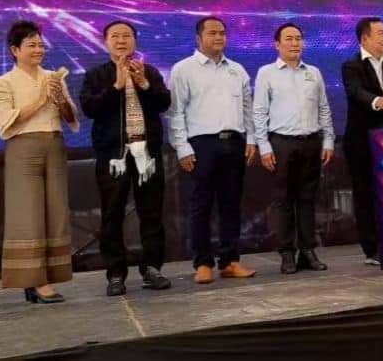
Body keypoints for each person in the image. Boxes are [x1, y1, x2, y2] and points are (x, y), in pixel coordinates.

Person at [80, 20, 172, 296]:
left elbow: (164, 103)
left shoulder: (149, 71)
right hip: (114, 157)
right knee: (112, 214)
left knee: (152, 213)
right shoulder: (96, 74)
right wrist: (117, 86)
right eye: (116, 36)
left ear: (135, 41)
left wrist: (144, 83)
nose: (121, 41)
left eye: (127, 36)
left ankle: (152, 268)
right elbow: (89, 108)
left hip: (147, 155)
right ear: (105, 41)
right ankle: (116, 273)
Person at [0, 21, 79, 304]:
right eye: (31, 45)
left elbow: (70, 117)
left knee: (55, 209)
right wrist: (42, 98)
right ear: (15, 50)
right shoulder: (4, 82)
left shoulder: (53, 76)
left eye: (41, 44)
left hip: (54, 144)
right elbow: (5, 123)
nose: (38, 49)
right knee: (28, 212)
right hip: (23, 147)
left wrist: (59, 99)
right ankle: (35, 281)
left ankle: (49, 276)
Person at [167, 16, 258, 284]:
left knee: (231, 204)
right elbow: (175, 112)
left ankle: (229, 261)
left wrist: (251, 139)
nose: (218, 37)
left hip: (235, 142)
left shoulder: (237, 70)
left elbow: (247, 109)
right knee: (201, 205)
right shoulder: (183, 69)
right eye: (212, 33)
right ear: (199, 38)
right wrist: (182, 147)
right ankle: (203, 263)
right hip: (201, 144)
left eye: (222, 33)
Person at [253, 23, 335, 274]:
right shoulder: (266, 73)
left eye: (298, 38)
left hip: (311, 141)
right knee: (283, 201)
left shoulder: (314, 73)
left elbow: (323, 108)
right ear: (277, 44)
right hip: (281, 143)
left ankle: (307, 251)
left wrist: (328, 140)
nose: (294, 43)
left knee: (307, 199)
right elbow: (259, 112)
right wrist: (264, 146)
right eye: (288, 38)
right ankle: (286, 253)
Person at [341, 17, 383, 265]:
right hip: (361, 141)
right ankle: (372, 248)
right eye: (380, 33)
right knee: (365, 194)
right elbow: (356, 92)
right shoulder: (351, 66)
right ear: (365, 38)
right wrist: (378, 101)